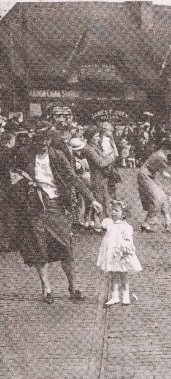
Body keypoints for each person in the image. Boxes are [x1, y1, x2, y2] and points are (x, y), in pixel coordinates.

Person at [11, 123, 102, 303]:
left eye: (47, 139)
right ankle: (47, 287)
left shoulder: (58, 156)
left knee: (66, 247)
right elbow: (14, 176)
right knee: (39, 247)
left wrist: (92, 199)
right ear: (33, 140)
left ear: (51, 140)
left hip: (55, 205)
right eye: (40, 140)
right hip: (34, 207)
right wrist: (24, 186)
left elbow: (73, 178)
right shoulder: (24, 154)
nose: (44, 143)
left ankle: (73, 286)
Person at [97, 200, 142, 306]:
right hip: (110, 253)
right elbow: (98, 227)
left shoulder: (126, 227)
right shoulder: (108, 222)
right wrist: (96, 215)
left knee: (123, 274)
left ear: (123, 214)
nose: (113, 212)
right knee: (113, 274)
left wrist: (125, 252)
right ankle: (114, 296)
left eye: (116, 210)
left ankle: (126, 296)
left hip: (120, 254)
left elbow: (129, 242)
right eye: (112, 210)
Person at [137, 139, 171, 232]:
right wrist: (166, 174)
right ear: (167, 148)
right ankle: (146, 223)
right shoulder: (160, 156)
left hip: (150, 175)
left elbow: (160, 169)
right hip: (145, 176)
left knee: (163, 196)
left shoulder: (160, 154)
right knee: (156, 199)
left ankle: (167, 220)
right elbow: (164, 171)